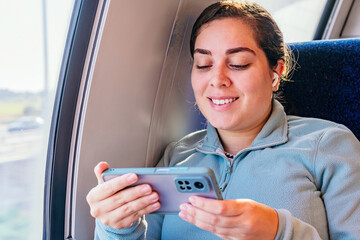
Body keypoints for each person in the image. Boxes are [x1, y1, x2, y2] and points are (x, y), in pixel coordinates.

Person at [86, 1, 360, 239]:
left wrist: (279, 231)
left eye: (238, 63)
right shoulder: (176, 156)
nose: (217, 80)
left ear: (276, 72)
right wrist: (117, 227)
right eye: (203, 65)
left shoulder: (329, 144)